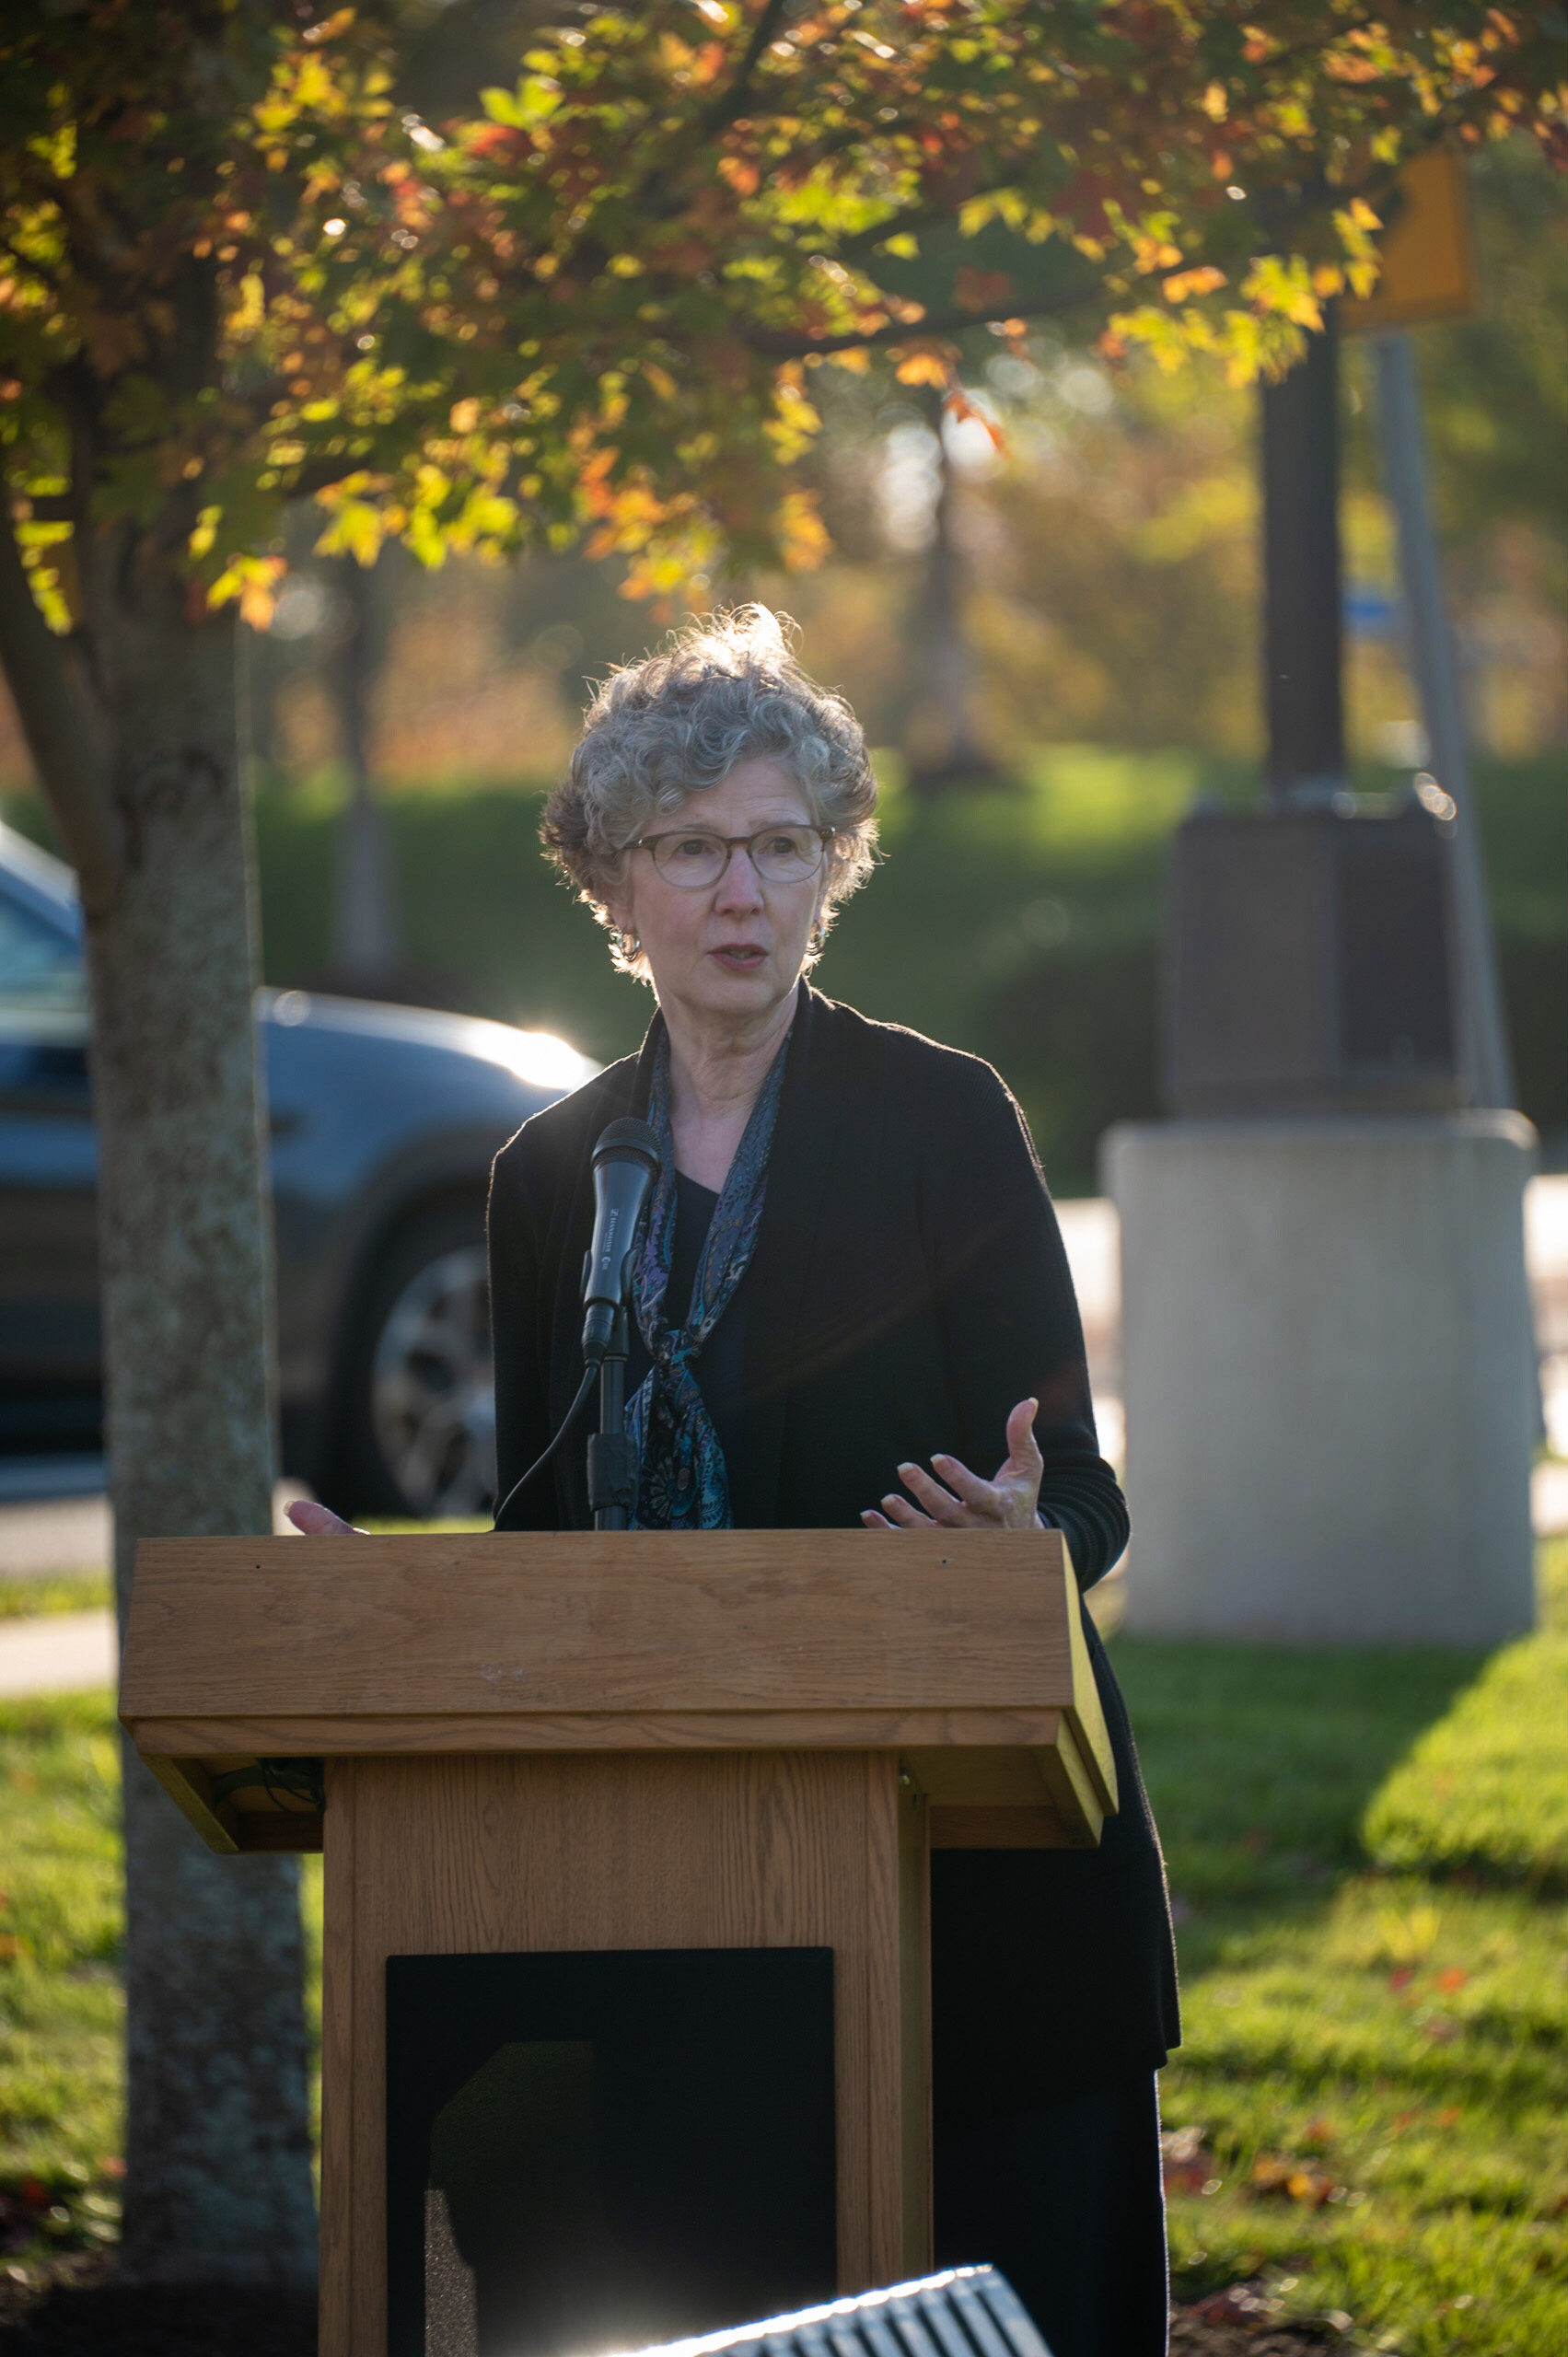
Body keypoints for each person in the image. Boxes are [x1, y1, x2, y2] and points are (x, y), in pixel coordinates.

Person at [295, 607, 1179, 2357]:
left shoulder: (941, 1117)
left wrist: (1019, 1541)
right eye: (692, 851)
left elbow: (1081, 1488)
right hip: (677, 1925)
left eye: (783, 847)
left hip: (973, 1914)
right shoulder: (553, 1172)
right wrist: (389, 1607)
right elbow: (553, 1546)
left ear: (829, 872)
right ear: (613, 889)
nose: (740, 894)